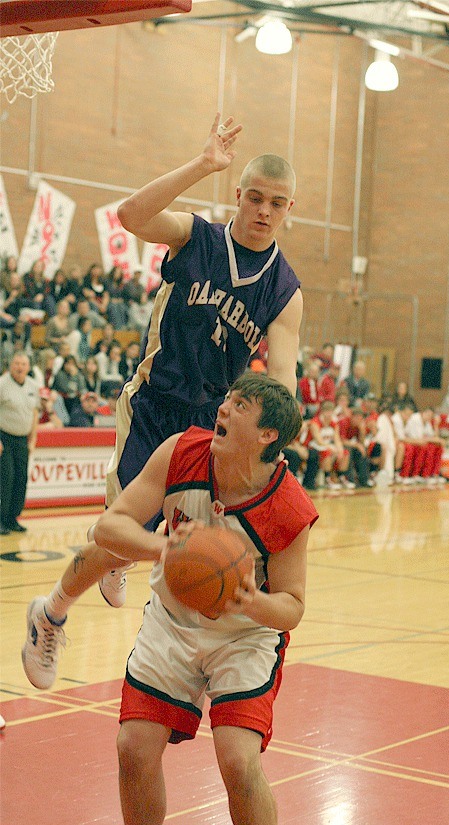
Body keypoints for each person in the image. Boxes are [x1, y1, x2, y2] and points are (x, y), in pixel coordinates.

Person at [22, 113, 303, 689]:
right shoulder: (195, 235)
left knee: (152, 546)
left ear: (289, 209)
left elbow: (281, 375)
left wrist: (278, 442)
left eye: (277, 202)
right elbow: (130, 217)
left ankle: (69, 595)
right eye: (254, 198)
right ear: (238, 196)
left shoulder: (286, 289)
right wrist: (203, 163)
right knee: (120, 535)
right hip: (154, 403)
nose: (263, 211)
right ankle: (50, 613)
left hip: (213, 424)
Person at [96, 373, 318, 825]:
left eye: (239, 404)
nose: (223, 406)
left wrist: (247, 598)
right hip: (173, 620)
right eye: (227, 397)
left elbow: (291, 607)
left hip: (243, 635)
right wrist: (164, 550)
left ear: (267, 434)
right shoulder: (181, 452)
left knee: (238, 760)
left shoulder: (288, 505)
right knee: (133, 746)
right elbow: (110, 527)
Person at [0, 352, 39, 534]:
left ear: (28, 367)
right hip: (4, 438)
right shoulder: (2, 384)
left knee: (20, 479)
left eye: (23, 364)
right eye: (17, 363)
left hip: (23, 439)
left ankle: (13, 518)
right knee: (6, 478)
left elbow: (34, 413)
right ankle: (1, 519)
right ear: (10, 365)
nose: (20, 367)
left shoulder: (33, 385)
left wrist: (33, 439)